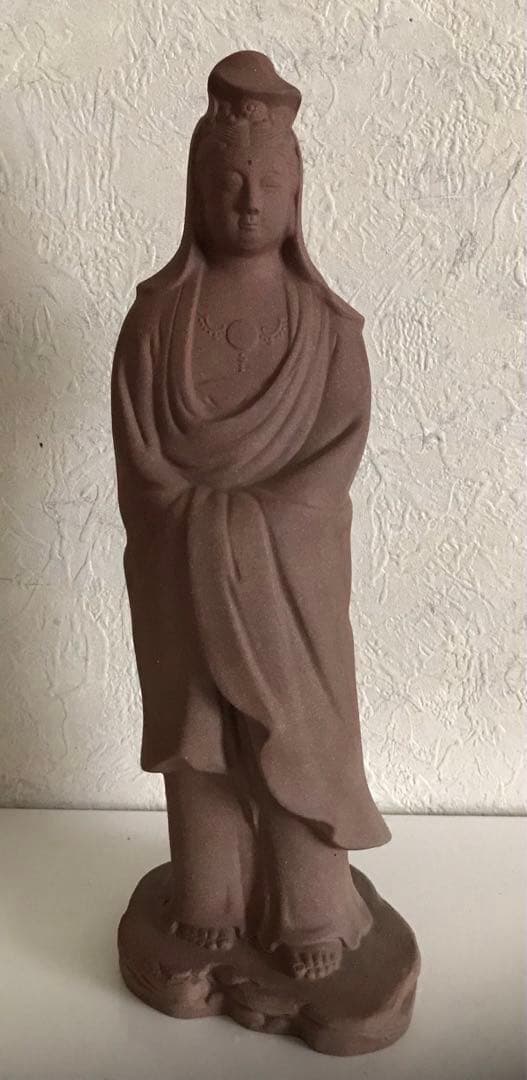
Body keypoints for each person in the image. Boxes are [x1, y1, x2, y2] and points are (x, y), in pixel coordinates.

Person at [111, 50, 391, 982]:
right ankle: (209, 900)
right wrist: (193, 526)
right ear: (197, 190)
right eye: (228, 181)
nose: (247, 202)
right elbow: (141, 461)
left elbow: (333, 458)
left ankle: (311, 909)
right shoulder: (156, 320)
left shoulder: (327, 328)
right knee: (198, 739)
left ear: (297, 195)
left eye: (269, 183)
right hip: (181, 578)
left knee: (298, 734)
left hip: (289, 586)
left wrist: (246, 525)